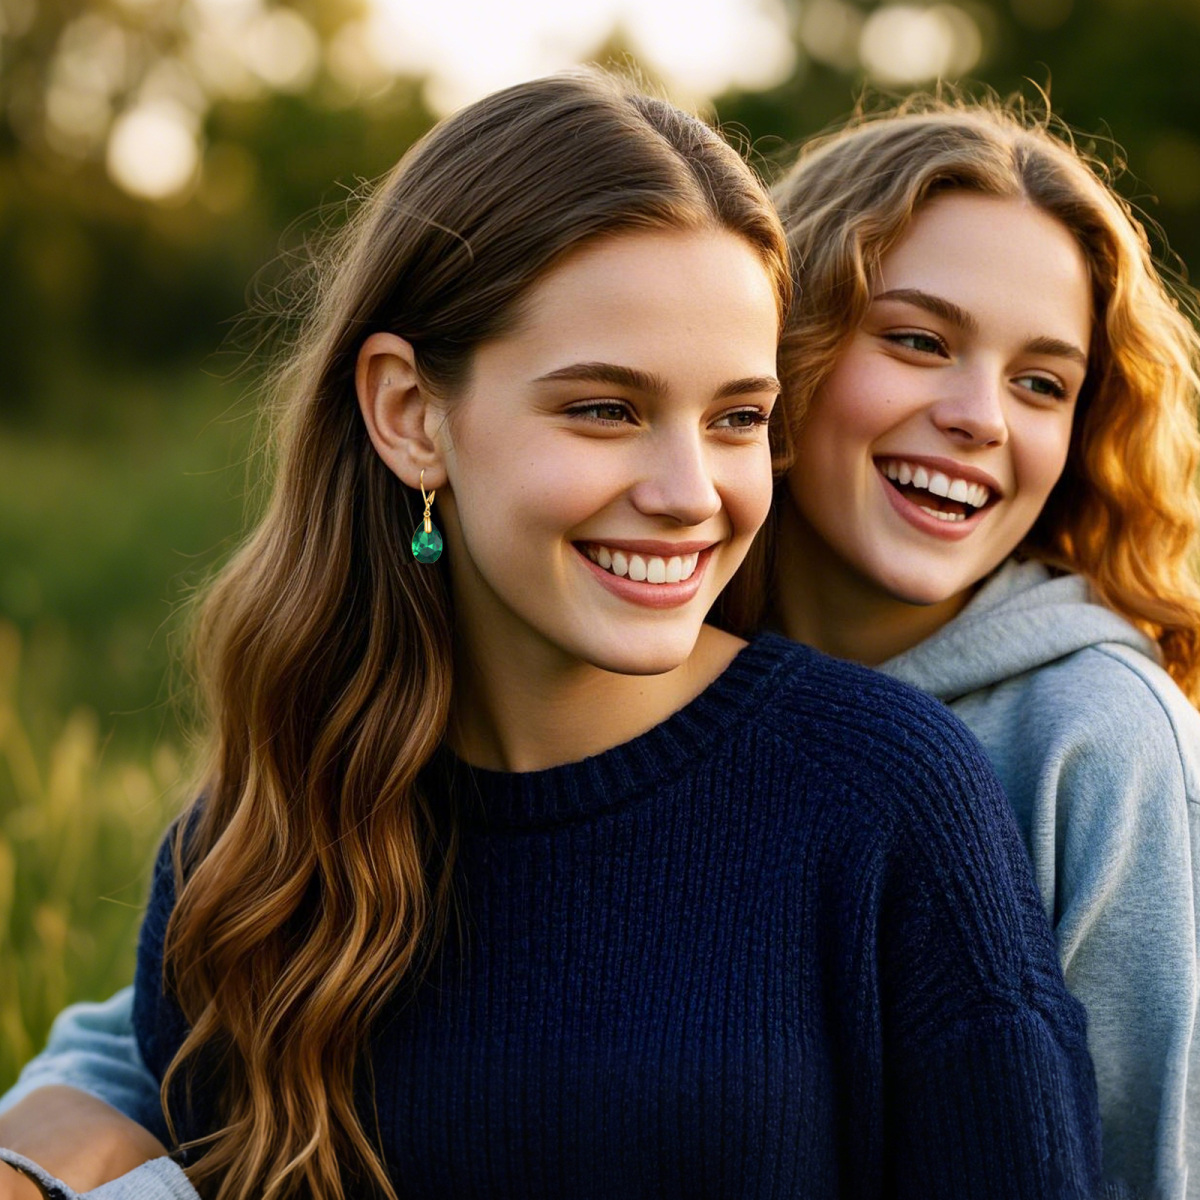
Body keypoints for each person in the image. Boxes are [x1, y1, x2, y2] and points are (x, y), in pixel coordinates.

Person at [0, 73, 1105, 1199]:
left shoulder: (888, 797)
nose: (690, 492)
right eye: (606, 409)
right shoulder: (258, 847)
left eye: (736, 418)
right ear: (408, 413)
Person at [724, 94, 1200, 1200]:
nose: (981, 415)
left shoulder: (1100, 743)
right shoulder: (644, 672)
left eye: (1043, 383)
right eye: (918, 341)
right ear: (784, 344)